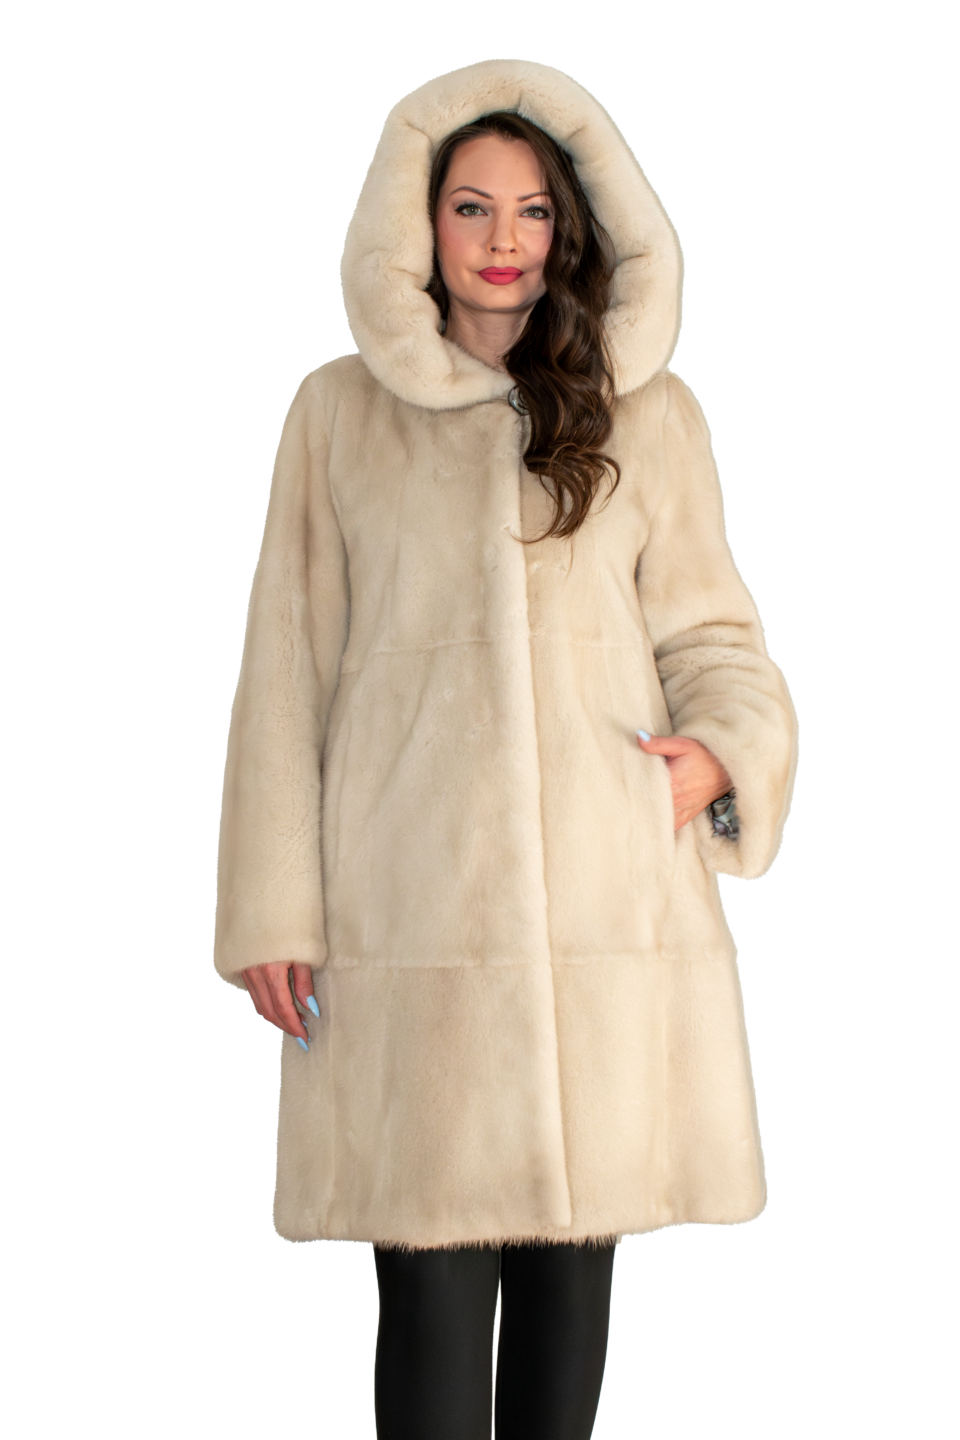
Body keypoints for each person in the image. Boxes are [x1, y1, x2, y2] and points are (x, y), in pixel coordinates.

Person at [214, 59, 797, 1440]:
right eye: (470, 206)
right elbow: (285, 670)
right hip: (409, 918)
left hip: (606, 920)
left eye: (532, 210)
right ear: (416, 222)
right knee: (425, 1310)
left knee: (568, 1308)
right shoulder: (337, 414)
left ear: (572, 225)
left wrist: (721, 755)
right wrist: (272, 909)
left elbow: (714, 634)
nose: (501, 239)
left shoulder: (650, 412)